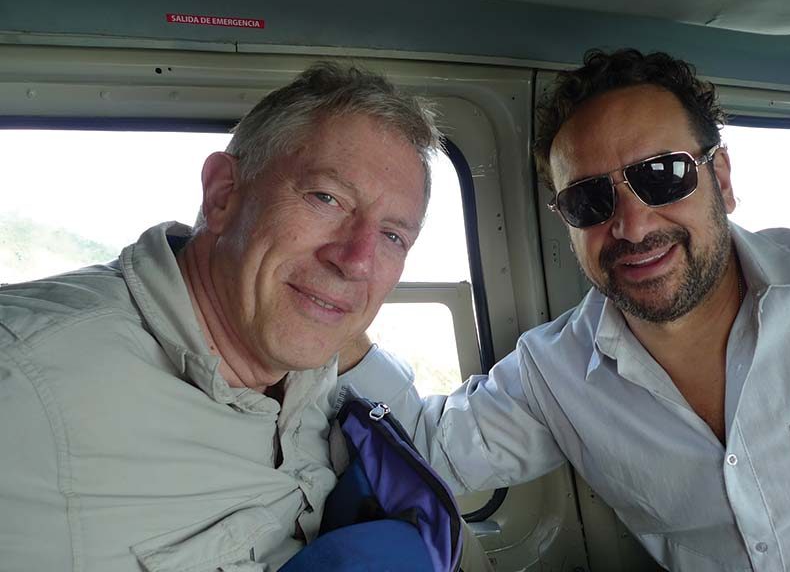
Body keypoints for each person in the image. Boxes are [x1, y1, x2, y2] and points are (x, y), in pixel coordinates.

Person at [340, 49, 790, 571]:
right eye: (590, 201)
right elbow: (425, 453)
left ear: (719, 177)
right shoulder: (554, 377)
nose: (633, 226)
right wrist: (333, 309)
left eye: (661, 176)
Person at [0, 62, 489, 571]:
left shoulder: (313, 369)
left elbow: (415, 453)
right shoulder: (24, 386)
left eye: (392, 236)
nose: (357, 260)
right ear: (223, 195)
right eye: (326, 198)